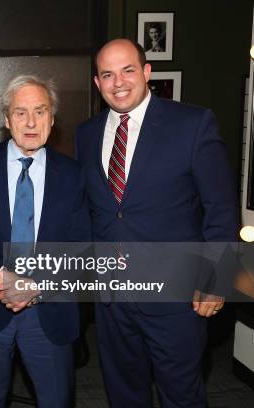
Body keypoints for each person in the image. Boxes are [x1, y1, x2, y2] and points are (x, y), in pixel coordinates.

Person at [74, 39, 238, 407]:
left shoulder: (193, 123)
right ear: (97, 83)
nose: (118, 82)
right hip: (112, 300)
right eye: (107, 74)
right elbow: (96, 211)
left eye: (128, 70)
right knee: (123, 393)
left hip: (177, 299)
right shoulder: (86, 134)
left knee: (181, 394)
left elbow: (222, 210)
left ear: (147, 73)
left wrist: (217, 278)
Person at [0, 75, 91, 408]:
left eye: (40, 112)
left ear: (52, 119)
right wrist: (3, 277)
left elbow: (81, 244)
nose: (30, 122)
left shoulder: (74, 174)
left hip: (50, 310)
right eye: (20, 112)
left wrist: (34, 285)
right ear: (6, 119)